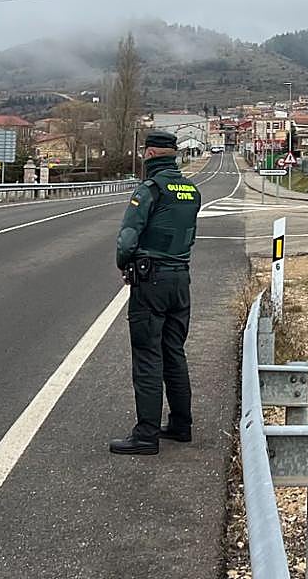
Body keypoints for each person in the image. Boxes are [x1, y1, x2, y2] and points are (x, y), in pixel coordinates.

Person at [110, 130, 202, 455]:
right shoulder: (191, 190)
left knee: (148, 355)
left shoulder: (149, 190)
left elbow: (127, 238)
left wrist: (124, 264)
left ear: (149, 155)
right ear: (173, 154)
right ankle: (181, 425)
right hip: (181, 280)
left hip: (151, 283)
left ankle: (146, 435)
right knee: (174, 352)